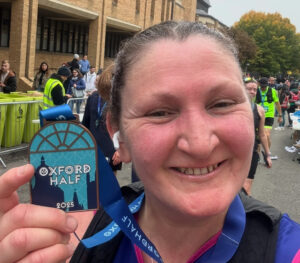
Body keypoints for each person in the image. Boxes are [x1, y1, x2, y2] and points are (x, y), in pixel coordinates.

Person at [1, 21, 300, 263]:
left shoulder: (288, 252)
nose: (199, 144)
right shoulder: (83, 235)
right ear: (120, 136)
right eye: (159, 112)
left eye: (221, 104)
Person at [82, 64, 122, 174]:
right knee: (92, 183)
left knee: (110, 183)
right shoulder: (93, 98)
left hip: (111, 149)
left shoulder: (120, 100)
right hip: (92, 147)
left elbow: (125, 128)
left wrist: (120, 150)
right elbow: (85, 124)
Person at [243, 77, 272, 195]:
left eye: (255, 89)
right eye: (249, 89)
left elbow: (262, 134)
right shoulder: (231, 108)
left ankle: (245, 211)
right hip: (234, 152)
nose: (252, 92)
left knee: (247, 185)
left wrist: (268, 155)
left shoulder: (259, 110)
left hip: (252, 150)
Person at [255, 77, 282, 156]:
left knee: (266, 135)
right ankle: (257, 154)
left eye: (265, 86)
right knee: (258, 137)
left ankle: (267, 153)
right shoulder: (256, 91)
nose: (263, 88)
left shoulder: (272, 91)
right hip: (258, 115)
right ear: (259, 85)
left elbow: (277, 104)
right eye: (262, 86)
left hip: (269, 115)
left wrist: (280, 115)